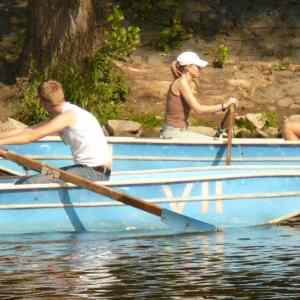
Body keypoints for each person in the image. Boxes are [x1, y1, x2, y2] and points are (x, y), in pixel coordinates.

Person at [0, 80, 112, 184]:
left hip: (94, 173)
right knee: (34, 176)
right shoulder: (65, 114)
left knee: (28, 183)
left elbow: (31, 136)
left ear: (43, 102)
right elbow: (26, 130)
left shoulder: (68, 116)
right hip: (82, 170)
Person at [160, 51, 238, 140]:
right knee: (214, 141)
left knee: (215, 138)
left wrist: (220, 108)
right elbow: (198, 109)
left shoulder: (188, 83)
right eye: (197, 66)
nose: (200, 69)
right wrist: (224, 105)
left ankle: (221, 133)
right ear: (187, 67)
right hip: (173, 133)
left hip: (180, 131)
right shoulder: (181, 83)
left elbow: (195, 108)